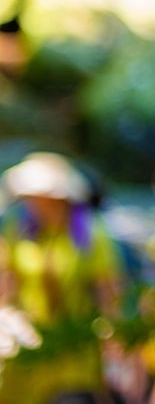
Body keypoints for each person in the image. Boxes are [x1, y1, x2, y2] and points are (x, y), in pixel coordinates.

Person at [0, 152, 125, 404]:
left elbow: (107, 288)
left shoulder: (88, 230)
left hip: (75, 346)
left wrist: (112, 336)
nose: (34, 203)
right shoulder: (19, 227)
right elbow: (8, 280)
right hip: (27, 345)